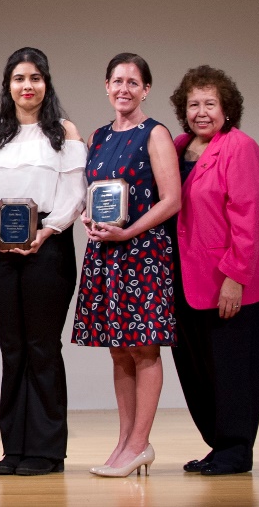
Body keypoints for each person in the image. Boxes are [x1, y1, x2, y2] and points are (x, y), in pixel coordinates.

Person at [0, 48, 85, 476]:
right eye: (19, 78)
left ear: (46, 84)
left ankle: (47, 450)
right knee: (13, 348)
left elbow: (75, 193)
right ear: (8, 85)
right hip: (0, 250)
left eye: (35, 78)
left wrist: (46, 231)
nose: (27, 86)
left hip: (49, 248)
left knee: (42, 347)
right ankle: (14, 448)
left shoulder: (64, 132)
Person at [73, 53, 180, 478]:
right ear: (106, 86)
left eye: (133, 82)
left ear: (146, 89)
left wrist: (129, 232)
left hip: (143, 254)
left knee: (143, 347)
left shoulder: (155, 134)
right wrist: (87, 215)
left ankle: (140, 443)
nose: (124, 89)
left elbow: (172, 200)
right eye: (117, 81)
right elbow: (96, 192)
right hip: (106, 253)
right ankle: (124, 443)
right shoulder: (98, 136)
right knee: (119, 350)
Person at [170, 65, 259, 476]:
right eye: (193, 104)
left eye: (210, 104)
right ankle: (219, 445)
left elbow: (249, 218)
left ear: (227, 108)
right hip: (186, 278)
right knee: (198, 369)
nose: (201, 112)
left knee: (234, 369)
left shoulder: (240, 147)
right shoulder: (178, 146)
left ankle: (236, 450)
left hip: (231, 280)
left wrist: (235, 278)